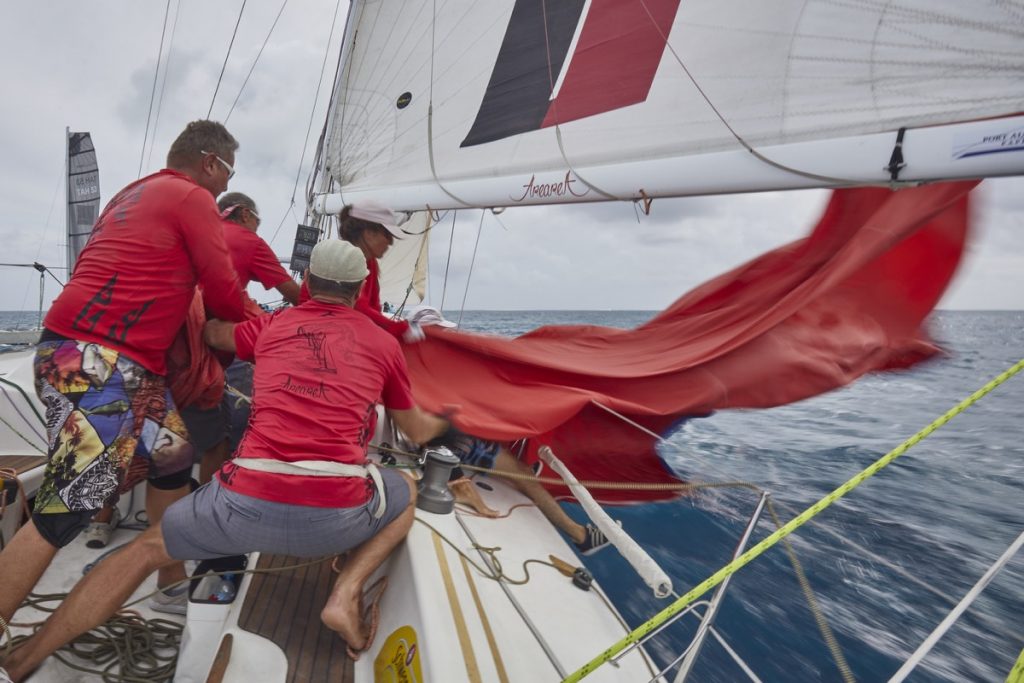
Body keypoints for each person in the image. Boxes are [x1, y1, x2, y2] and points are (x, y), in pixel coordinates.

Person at [0, 240, 452, 681]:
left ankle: (20, 663)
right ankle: (347, 590)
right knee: (405, 490)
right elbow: (415, 430)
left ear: (308, 281)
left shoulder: (272, 326)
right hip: (336, 521)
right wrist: (450, 419)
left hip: (241, 508)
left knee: (140, 552)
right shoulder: (384, 344)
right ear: (359, 290)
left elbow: (215, 333)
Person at [0, 120, 248, 631]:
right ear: (209, 162)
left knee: (174, 456)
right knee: (66, 507)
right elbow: (222, 288)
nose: (225, 185)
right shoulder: (192, 195)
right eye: (227, 173)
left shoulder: (130, 194)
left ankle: (169, 586)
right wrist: (263, 330)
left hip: (104, 360)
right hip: (96, 360)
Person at [300, 201, 424, 343]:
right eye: (387, 235)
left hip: (339, 335)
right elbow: (360, 308)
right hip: (317, 336)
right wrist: (401, 329)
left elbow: (373, 308)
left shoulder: (370, 263)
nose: (390, 242)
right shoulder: (342, 260)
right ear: (369, 234)